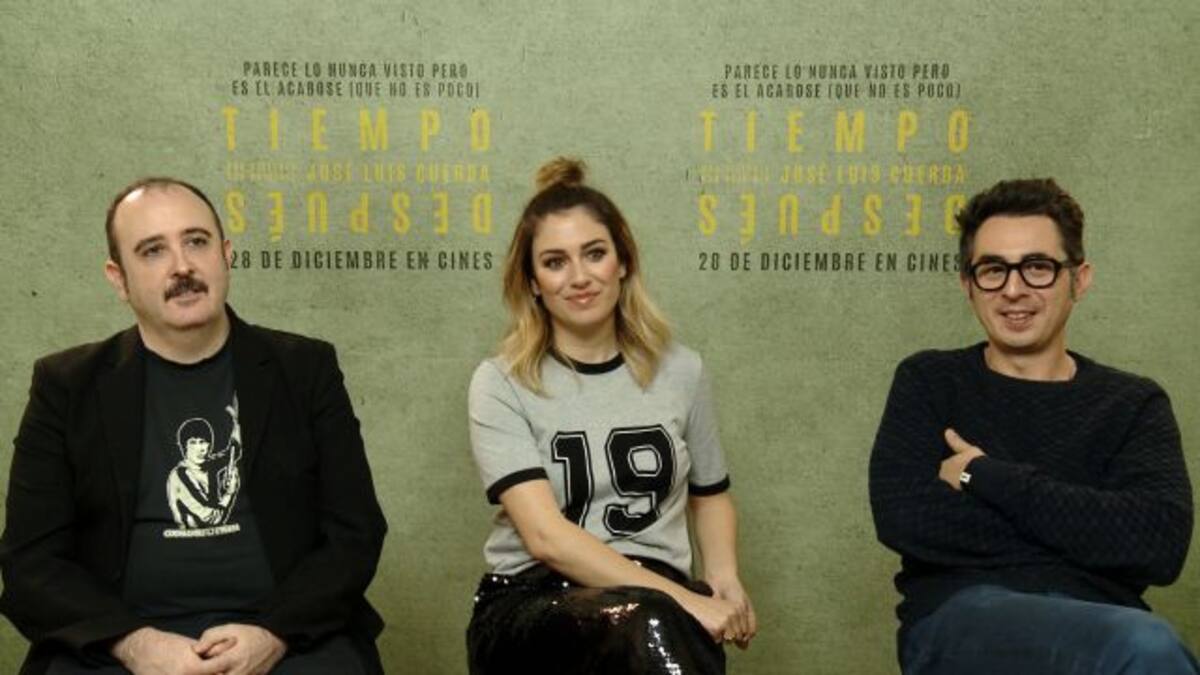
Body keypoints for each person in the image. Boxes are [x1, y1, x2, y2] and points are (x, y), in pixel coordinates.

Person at [0, 177, 388, 674]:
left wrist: (273, 633)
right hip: (117, 646)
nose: (182, 266)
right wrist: (135, 645)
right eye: (153, 250)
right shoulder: (66, 386)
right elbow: (31, 561)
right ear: (118, 279)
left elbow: (355, 532)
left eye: (197, 242)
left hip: (288, 639)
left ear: (226, 255)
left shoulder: (305, 369)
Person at [869, 178, 1197, 674]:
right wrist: (1087, 527)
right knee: (1148, 647)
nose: (1013, 289)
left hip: (1102, 624)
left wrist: (982, 475)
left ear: (1079, 280)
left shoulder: (1133, 403)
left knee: (1141, 644)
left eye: (1038, 267)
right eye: (993, 270)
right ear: (967, 284)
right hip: (961, 619)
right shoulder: (930, 382)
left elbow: (1159, 544)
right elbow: (905, 518)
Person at [465, 158, 756, 674]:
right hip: (533, 605)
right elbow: (546, 538)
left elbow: (710, 495)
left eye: (594, 254)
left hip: (655, 597)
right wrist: (686, 601)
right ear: (532, 282)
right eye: (555, 262)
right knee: (657, 622)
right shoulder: (502, 382)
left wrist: (723, 577)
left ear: (622, 262)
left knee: (659, 624)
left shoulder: (682, 370)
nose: (579, 277)